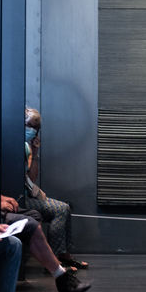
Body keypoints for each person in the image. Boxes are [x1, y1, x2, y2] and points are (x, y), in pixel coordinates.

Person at [22, 107, 88, 269]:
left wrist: (35, 153)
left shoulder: (27, 146)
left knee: (64, 208)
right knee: (59, 210)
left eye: (35, 128)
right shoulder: (18, 145)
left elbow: (32, 177)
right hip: (19, 199)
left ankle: (64, 254)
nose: (32, 131)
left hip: (27, 194)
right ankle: (53, 260)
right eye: (29, 126)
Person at [0, 194, 91, 292]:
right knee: (31, 224)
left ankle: (52, 261)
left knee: (35, 215)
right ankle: (59, 272)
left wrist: (1, 198)